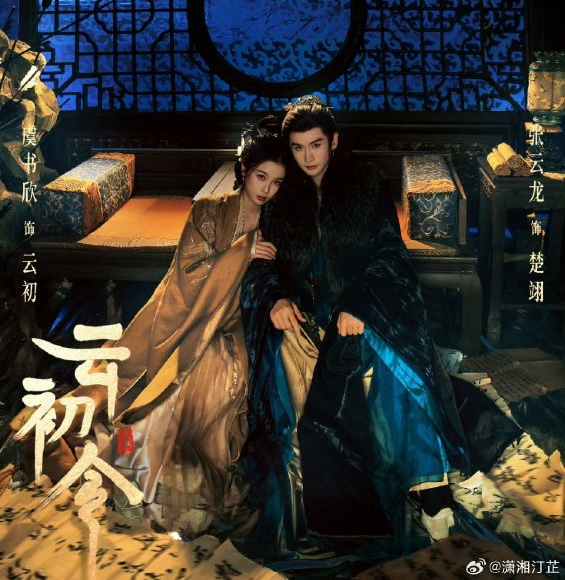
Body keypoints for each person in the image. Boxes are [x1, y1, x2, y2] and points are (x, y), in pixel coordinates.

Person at [12, 119, 287, 537]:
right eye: (261, 176)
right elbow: (186, 278)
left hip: (232, 335)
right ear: (245, 169)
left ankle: (153, 477)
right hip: (182, 325)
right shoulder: (209, 211)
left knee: (207, 404)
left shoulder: (278, 225)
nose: (266, 188)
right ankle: (122, 466)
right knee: (143, 400)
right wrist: (242, 252)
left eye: (277, 182)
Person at [239, 97, 468, 562]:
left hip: (361, 308)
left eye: (316, 145)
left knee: (391, 363)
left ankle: (428, 486)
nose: (307, 157)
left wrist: (360, 305)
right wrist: (276, 298)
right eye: (298, 147)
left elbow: (389, 253)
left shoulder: (365, 185)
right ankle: (330, 503)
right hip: (304, 315)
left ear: (334, 141)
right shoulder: (281, 194)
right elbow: (263, 264)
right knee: (283, 371)